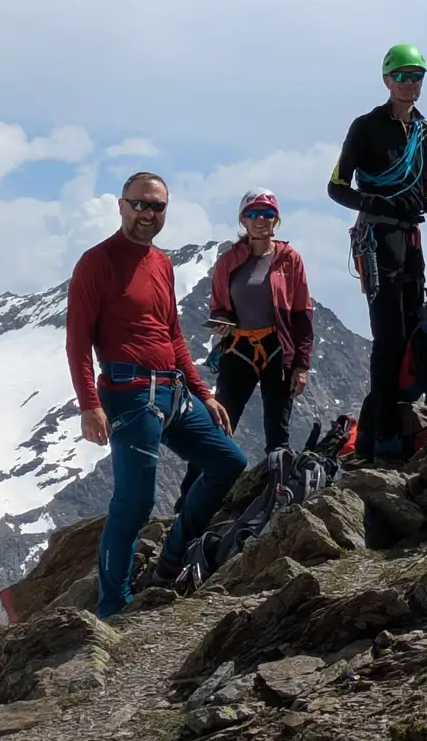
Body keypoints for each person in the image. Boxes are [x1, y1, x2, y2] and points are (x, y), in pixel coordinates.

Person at [66, 171, 245, 617]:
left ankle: (170, 560)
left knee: (230, 462)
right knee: (135, 502)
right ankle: (113, 607)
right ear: (121, 205)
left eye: (157, 206)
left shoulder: (161, 263)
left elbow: (173, 335)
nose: (147, 213)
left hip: (174, 391)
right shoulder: (97, 261)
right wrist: (89, 405)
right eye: (139, 204)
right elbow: (77, 341)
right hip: (129, 394)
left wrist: (203, 393)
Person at [328, 43, 427, 461]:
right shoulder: (365, 127)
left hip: (410, 238)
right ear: (386, 80)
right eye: (401, 75)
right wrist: (374, 203)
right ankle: (381, 433)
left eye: (416, 75)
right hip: (377, 238)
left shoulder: (425, 132)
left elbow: (424, 185)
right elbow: (337, 186)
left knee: (409, 330)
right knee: (389, 337)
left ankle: (384, 429)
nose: (409, 82)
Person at [176, 189, 314, 503]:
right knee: (218, 426)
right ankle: (187, 503)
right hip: (238, 349)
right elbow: (218, 305)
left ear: (276, 219)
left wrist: (301, 366)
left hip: (277, 350)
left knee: (277, 429)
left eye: (267, 214)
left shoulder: (289, 259)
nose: (260, 220)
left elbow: (302, 314)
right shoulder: (230, 261)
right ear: (243, 220)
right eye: (253, 214)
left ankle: (277, 496)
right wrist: (222, 319)